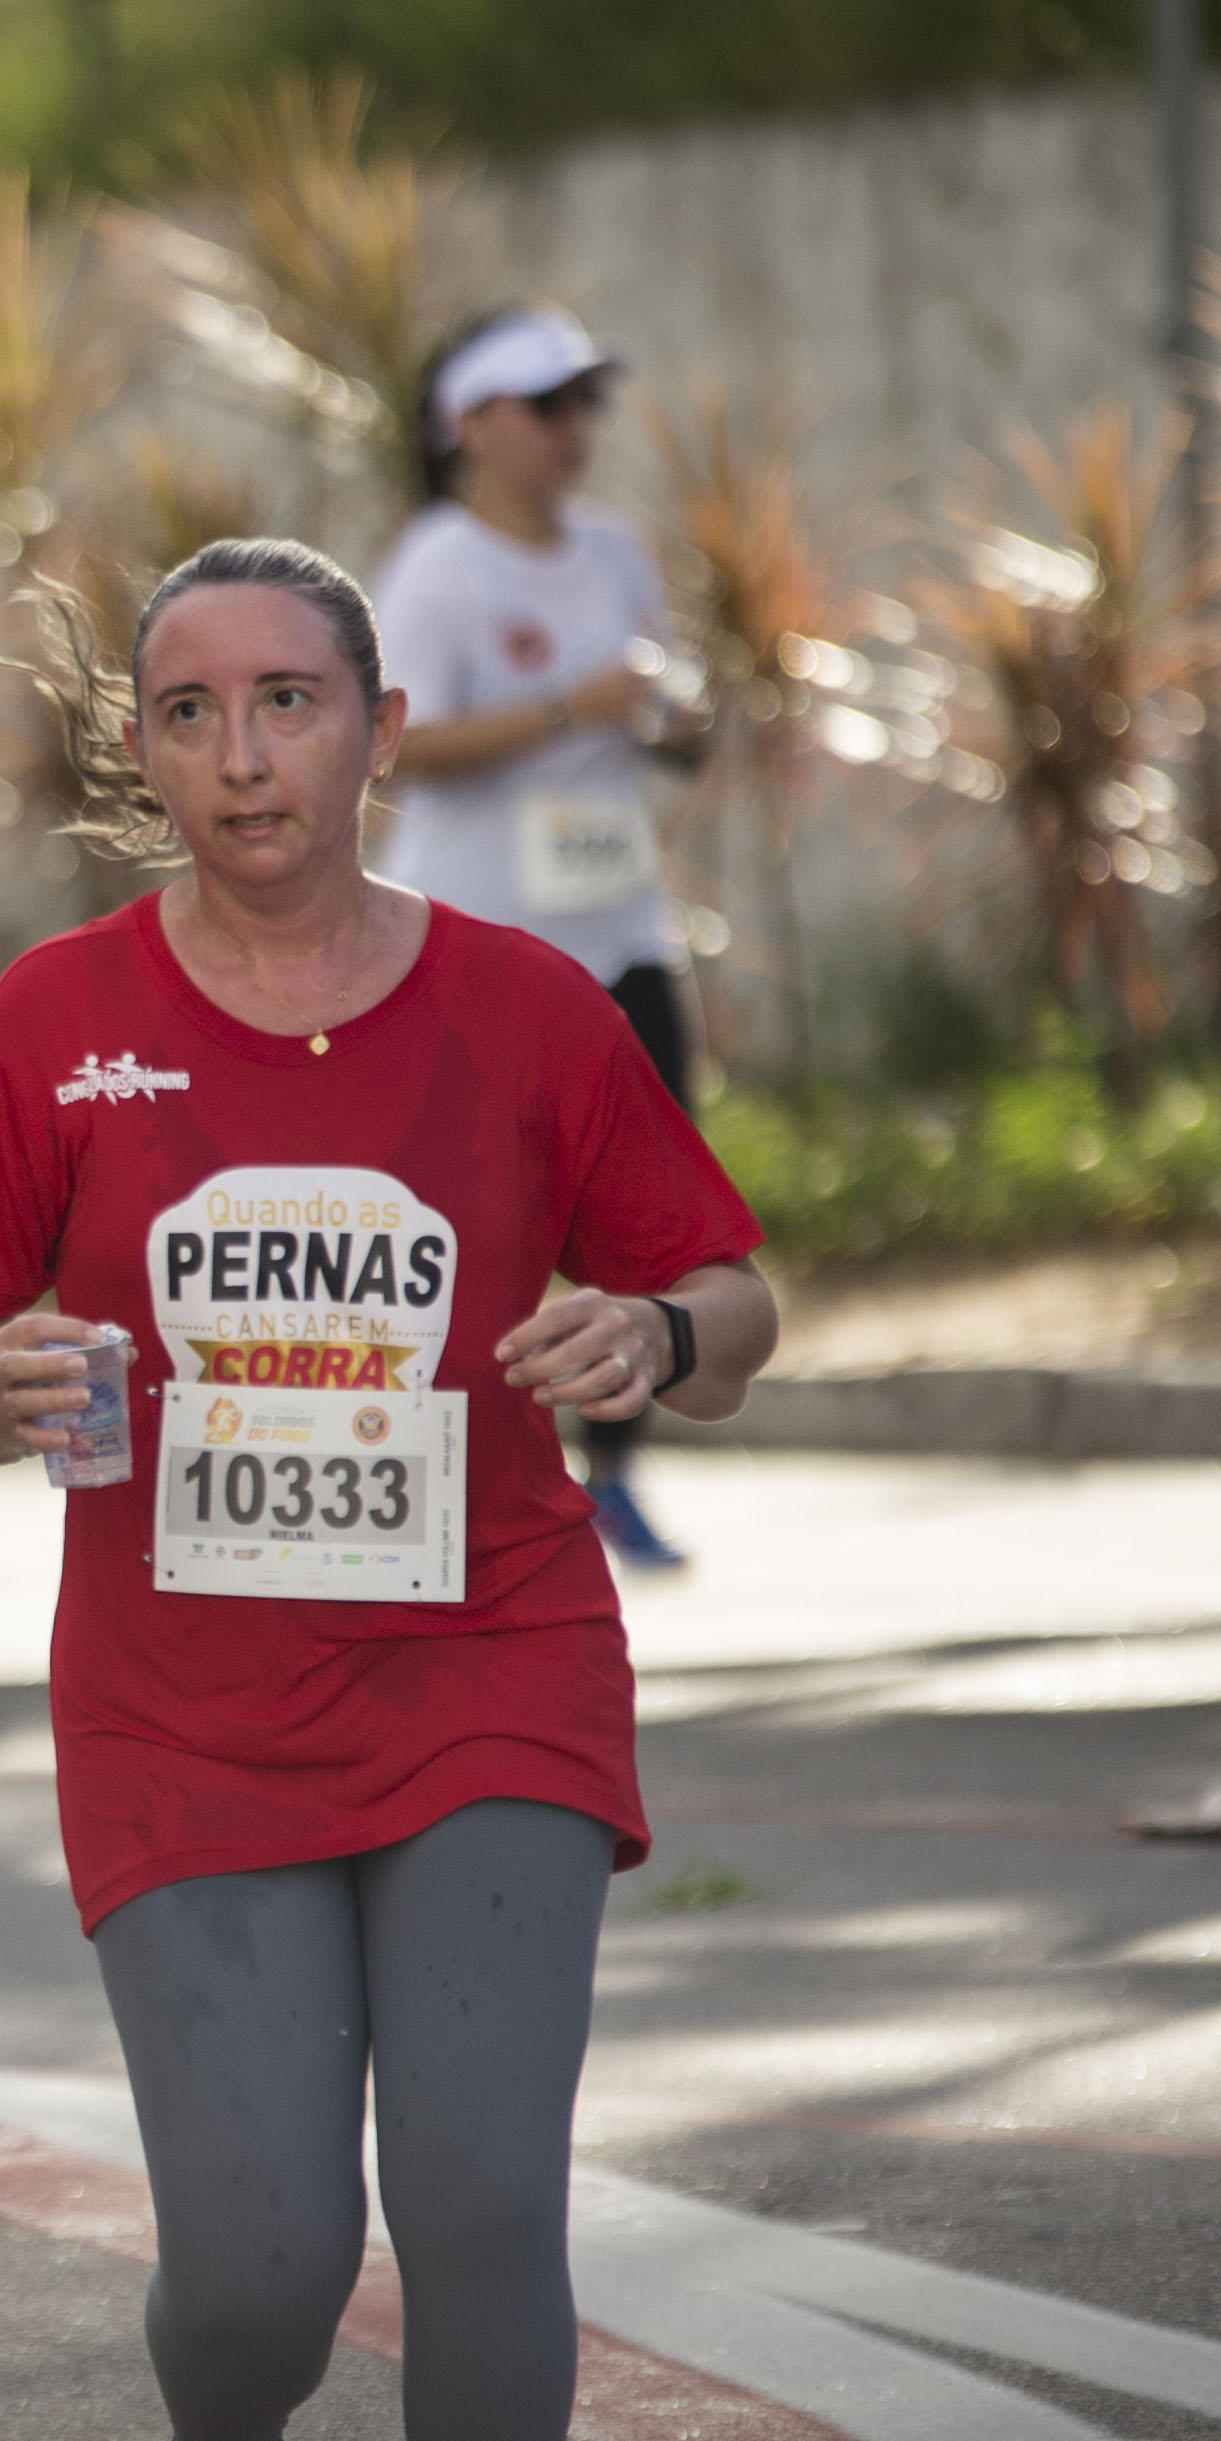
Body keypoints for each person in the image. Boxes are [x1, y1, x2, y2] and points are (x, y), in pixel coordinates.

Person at [0, 538, 777, 2441]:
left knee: (477, 2199)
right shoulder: (54, 1020)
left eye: (289, 700)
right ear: (143, 753)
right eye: (188, 712)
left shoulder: (525, 1012)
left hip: (489, 1663)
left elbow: (729, 1292)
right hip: (181, 1705)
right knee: (259, 2268)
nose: (242, 753)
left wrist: (653, 1334)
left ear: (381, 730)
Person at [370, 304, 713, 1572]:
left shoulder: (616, 550)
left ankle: (614, 1475)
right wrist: (570, 705)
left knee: (649, 1209)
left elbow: (664, 712)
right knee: (474, 1216)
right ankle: (452, 1472)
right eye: (549, 404)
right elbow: (394, 742)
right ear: (470, 425)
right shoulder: (438, 565)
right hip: (480, 943)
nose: (577, 427)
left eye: (587, 402)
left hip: (620, 930)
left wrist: (678, 725)